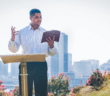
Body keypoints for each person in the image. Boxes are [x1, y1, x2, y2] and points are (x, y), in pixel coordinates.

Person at [8, 8, 58, 96]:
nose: (39, 19)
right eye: (36, 17)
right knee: (25, 92)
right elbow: (14, 50)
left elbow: (53, 53)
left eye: (40, 17)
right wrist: (12, 39)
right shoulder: (22, 32)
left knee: (42, 92)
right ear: (30, 18)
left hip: (41, 65)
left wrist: (51, 46)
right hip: (26, 66)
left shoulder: (46, 33)